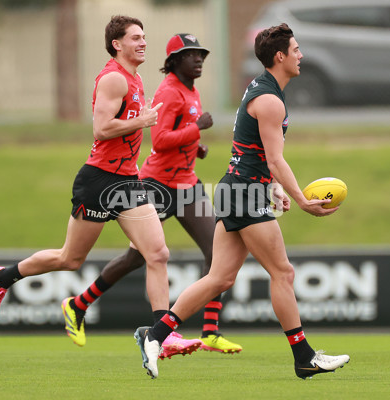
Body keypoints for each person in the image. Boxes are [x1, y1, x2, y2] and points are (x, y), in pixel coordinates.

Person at [134, 23, 350, 380]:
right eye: (296, 50)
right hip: (245, 194)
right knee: (283, 272)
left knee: (219, 278)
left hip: (237, 189)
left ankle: (154, 336)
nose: (301, 56)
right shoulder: (270, 100)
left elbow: (256, 153)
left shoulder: (262, 90)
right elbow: (275, 159)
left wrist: (272, 187)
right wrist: (301, 199)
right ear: (279, 57)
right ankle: (304, 357)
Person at [0, 16, 171, 328]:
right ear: (117, 44)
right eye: (135, 38)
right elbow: (101, 129)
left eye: (143, 36)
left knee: (158, 254)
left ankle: (162, 334)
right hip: (99, 180)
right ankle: (1, 277)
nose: (143, 42)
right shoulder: (114, 79)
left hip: (127, 181)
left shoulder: (134, 79)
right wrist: (141, 121)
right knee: (70, 259)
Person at [60, 34, 242, 358]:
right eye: (191, 55)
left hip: (186, 184)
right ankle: (79, 304)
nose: (199, 59)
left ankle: (211, 331)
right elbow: (159, 140)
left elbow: (177, 133)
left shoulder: (191, 90)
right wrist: (196, 129)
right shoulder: (169, 90)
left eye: (201, 54)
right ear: (174, 61)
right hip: (157, 183)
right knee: (137, 257)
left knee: (217, 250)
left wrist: (193, 145)